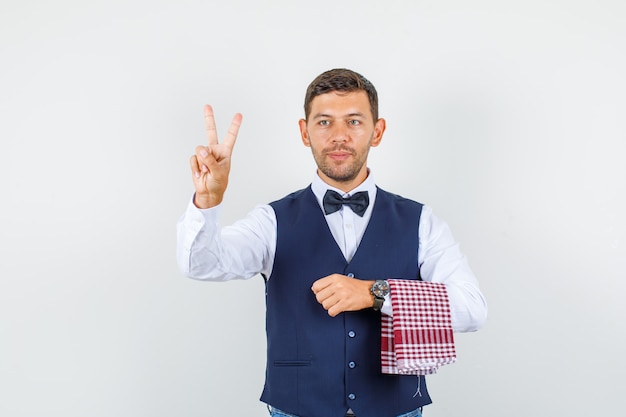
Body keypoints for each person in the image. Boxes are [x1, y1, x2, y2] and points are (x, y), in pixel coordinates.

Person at [177, 68, 487, 417]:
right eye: (324, 122)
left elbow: (472, 309)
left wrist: (375, 293)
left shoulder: (421, 221)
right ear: (304, 132)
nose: (339, 136)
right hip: (296, 408)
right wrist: (207, 202)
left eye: (354, 121)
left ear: (377, 131)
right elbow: (200, 265)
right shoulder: (270, 221)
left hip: (395, 408)